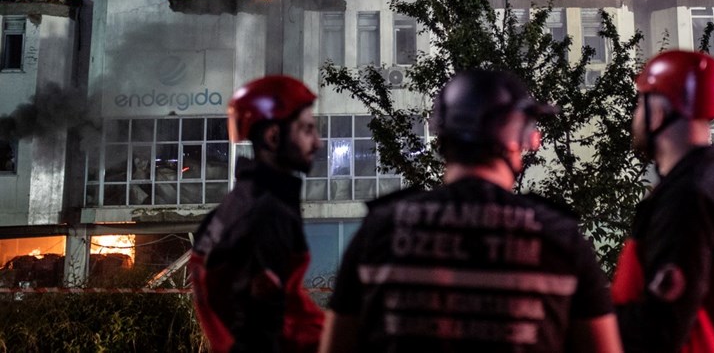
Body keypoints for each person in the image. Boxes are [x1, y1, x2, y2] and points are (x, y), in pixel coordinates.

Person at [320, 69, 622, 353]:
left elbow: (335, 345)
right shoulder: (559, 237)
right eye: (529, 128)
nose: (536, 140)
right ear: (515, 139)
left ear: (442, 136)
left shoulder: (381, 229)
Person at [611, 50, 714, 353]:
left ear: (658, 114)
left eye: (639, 103)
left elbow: (658, 331)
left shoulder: (689, 199)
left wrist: (588, 318)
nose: (634, 115)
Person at [189, 75, 325, 352]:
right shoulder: (267, 214)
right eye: (307, 130)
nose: (318, 142)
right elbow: (261, 332)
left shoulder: (239, 203)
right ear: (273, 137)